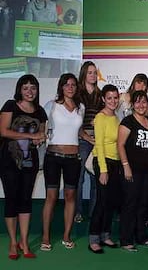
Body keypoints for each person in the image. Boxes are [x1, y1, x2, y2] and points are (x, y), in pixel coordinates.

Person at [0, 74, 47, 259]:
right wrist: (31, 136)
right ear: (20, 89)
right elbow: (3, 131)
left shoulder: (41, 111)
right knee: (11, 200)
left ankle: (24, 242)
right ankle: (13, 242)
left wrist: (39, 139)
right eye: (26, 87)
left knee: (26, 200)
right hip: (8, 160)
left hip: (30, 161)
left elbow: (41, 135)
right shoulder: (10, 105)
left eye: (33, 88)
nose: (30, 91)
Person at [41, 73, 85, 251]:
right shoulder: (51, 105)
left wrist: (93, 140)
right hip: (53, 157)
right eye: (66, 84)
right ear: (61, 86)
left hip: (73, 159)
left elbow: (80, 132)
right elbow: (41, 128)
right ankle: (45, 237)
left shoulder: (80, 107)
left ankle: (66, 235)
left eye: (73, 84)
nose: (70, 87)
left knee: (70, 196)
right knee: (51, 197)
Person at [118, 90, 148, 251]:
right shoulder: (128, 121)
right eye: (138, 102)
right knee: (130, 204)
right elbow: (120, 145)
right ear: (133, 104)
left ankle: (141, 237)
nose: (141, 105)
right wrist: (126, 166)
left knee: (143, 204)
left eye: (144, 102)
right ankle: (126, 240)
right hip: (131, 170)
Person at [88, 84, 121, 254]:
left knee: (111, 202)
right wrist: (103, 170)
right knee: (101, 201)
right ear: (103, 99)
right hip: (103, 162)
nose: (113, 101)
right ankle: (93, 238)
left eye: (115, 98)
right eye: (109, 98)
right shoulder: (100, 118)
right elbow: (99, 144)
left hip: (115, 162)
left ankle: (105, 234)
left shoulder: (116, 117)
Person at [74, 61, 101, 224]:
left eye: (94, 72)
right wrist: (85, 136)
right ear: (84, 74)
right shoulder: (77, 94)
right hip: (82, 139)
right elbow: (75, 120)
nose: (93, 75)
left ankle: (93, 213)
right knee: (79, 177)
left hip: (98, 141)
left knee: (96, 177)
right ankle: (77, 211)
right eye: (90, 72)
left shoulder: (100, 94)